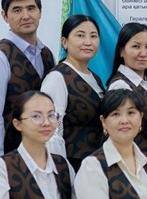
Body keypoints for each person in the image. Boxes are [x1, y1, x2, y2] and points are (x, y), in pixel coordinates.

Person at [0, 0, 56, 155]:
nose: (26, 16)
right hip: (10, 155)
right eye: (17, 10)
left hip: (42, 153)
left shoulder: (47, 54)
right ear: (5, 16)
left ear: (40, 12)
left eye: (31, 8)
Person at [42, 15, 105, 172]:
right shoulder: (57, 78)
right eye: (80, 35)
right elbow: (52, 131)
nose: (88, 42)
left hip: (94, 164)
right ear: (64, 42)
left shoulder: (95, 77)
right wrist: (60, 171)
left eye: (93, 36)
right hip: (72, 165)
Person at [106, 22, 147, 158]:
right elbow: (119, 133)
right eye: (136, 46)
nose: (143, 53)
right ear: (121, 51)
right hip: (130, 160)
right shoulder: (120, 85)